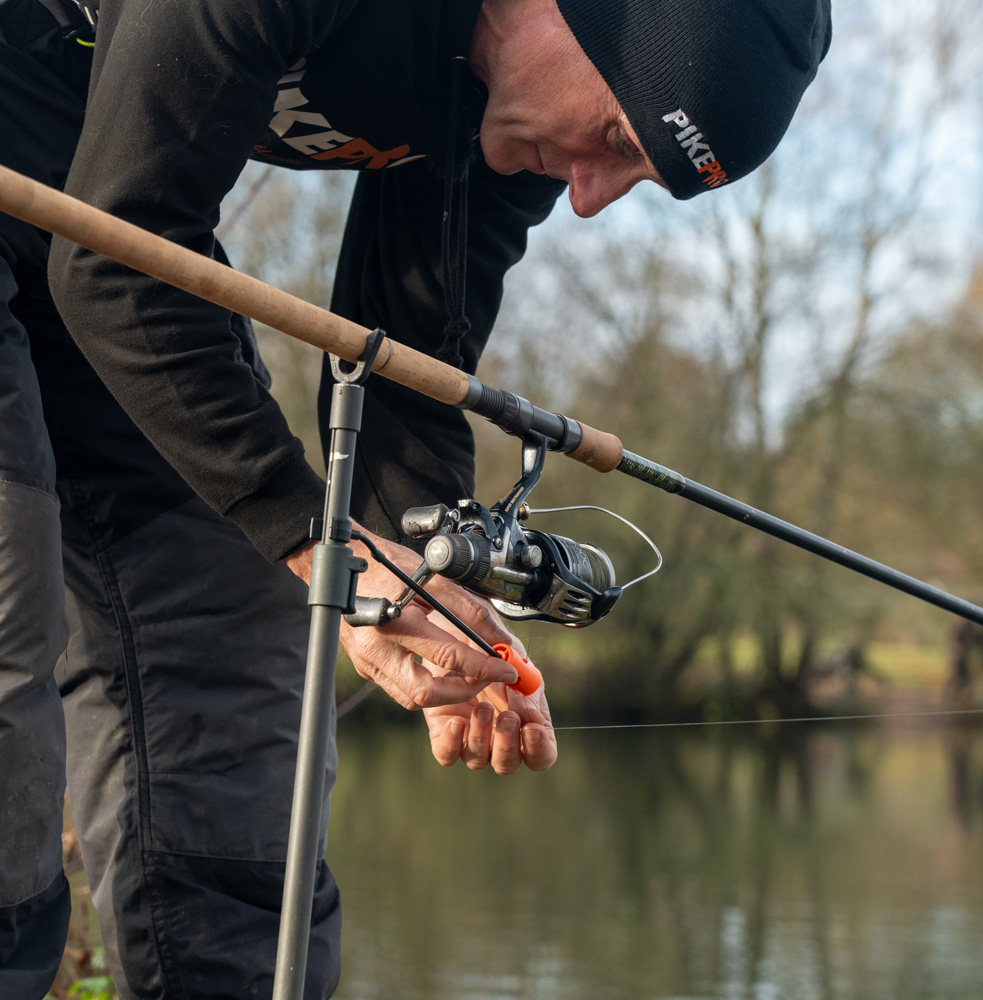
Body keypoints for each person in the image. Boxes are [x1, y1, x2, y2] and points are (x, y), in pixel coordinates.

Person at [0, 0, 832, 996]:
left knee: (230, 623)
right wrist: (320, 545)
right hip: (88, 188)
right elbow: (113, 256)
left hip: (86, 164)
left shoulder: (513, 122)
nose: (589, 196)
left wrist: (429, 601)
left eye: (633, 179)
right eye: (615, 139)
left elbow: (402, 369)